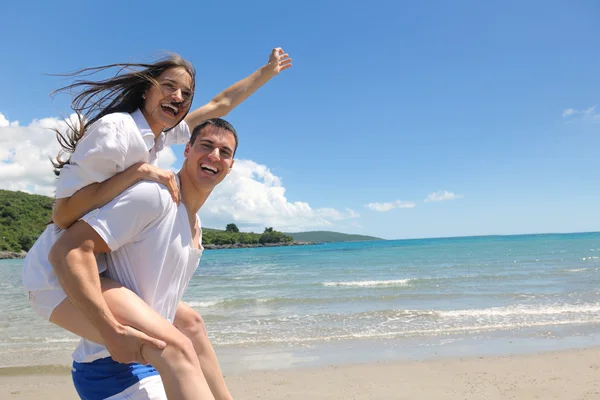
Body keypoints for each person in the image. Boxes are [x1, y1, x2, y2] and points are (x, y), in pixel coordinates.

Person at [22, 48, 291, 399]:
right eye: (169, 86)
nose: (178, 98)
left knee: (190, 323)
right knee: (173, 345)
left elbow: (221, 105)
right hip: (54, 274)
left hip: (94, 262)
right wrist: (137, 173)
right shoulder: (117, 130)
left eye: (186, 94)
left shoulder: (161, 135)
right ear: (147, 89)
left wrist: (266, 72)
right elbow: (62, 216)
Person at [49, 119, 238, 399]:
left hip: (151, 364)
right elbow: (69, 248)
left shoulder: (194, 226)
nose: (214, 156)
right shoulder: (155, 197)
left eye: (225, 152)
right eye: (206, 146)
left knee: (191, 324)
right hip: (110, 366)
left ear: (231, 165)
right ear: (187, 150)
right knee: (178, 347)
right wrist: (109, 330)